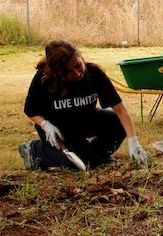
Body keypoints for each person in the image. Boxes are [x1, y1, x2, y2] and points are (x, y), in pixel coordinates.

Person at [19, 40, 151, 170]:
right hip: (58, 129)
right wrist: (45, 125)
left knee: (116, 123)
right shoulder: (44, 79)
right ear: (56, 71)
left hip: (85, 119)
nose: (76, 74)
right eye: (67, 71)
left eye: (78, 65)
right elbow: (31, 110)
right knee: (82, 163)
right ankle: (34, 150)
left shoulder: (94, 73)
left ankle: (94, 156)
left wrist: (133, 142)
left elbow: (120, 110)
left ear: (81, 58)